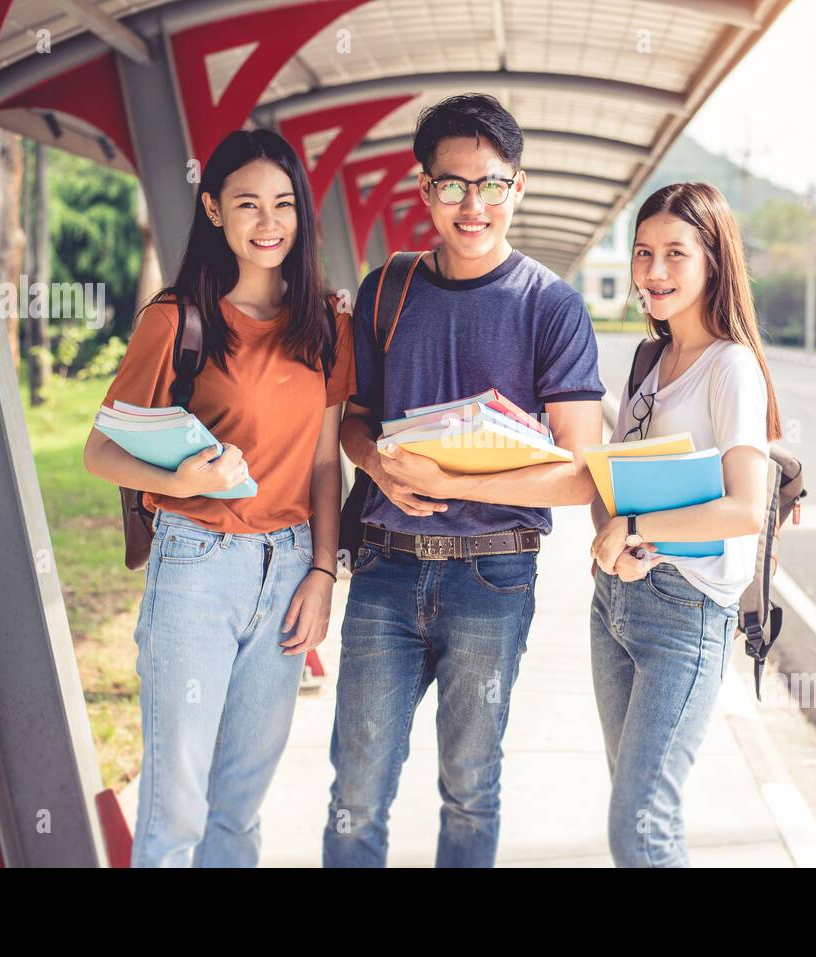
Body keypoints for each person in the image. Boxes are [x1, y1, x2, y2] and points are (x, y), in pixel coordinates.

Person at [325, 94, 605, 867]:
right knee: (355, 792)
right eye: (451, 185)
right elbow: (354, 418)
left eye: (489, 184)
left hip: (494, 575)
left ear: (519, 187)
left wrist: (454, 474)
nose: (471, 204)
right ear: (425, 192)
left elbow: (581, 475)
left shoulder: (551, 305)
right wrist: (379, 462)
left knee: (470, 787)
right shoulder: (388, 289)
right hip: (384, 568)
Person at [82, 129, 354, 867]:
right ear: (213, 210)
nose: (269, 223)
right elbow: (100, 449)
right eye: (247, 204)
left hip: (293, 568)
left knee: (238, 810)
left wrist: (325, 574)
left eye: (284, 204)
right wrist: (180, 481)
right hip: (196, 565)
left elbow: (326, 464)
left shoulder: (327, 323)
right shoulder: (176, 320)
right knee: (177, 807)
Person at [589, 182, 783, 867]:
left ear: (713, 262)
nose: (655, 272)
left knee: (641, 824)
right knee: (635, 809)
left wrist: (636, 523)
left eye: (676, 253)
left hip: (686, 611)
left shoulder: (731, 368)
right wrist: (611, 536)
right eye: (644, 253)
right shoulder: (649, 359)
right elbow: (614, 479)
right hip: (616, 601)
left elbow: (743, 507)